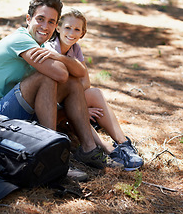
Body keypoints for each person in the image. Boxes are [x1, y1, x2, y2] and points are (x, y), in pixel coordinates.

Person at [0, 0, 107, 170]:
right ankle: (50, 153)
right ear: (28, 19)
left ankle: (89, 149)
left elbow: (78, 76)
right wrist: (60, 63)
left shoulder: (41, 46)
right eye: (40, 19)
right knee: (46, 77)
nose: (45, 26)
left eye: (51, 22)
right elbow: (59, 74)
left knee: (72, 85)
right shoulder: (20, 40)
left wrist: (76, 109)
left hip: (12, 110)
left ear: (56, 25)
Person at [44, 9, 144, 171]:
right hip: (47, 108)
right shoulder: (50, 47)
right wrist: (78, 108)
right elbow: (51, 91)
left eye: (77, 29)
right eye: (68, 27)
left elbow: (85, 82)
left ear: (82, 33)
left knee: (95, 93)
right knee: (80, 100)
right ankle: (106, 147)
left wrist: (80, 105)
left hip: (65, 101)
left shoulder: (74, 49)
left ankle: (123, 144)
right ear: (58, 28)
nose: (72, 33)